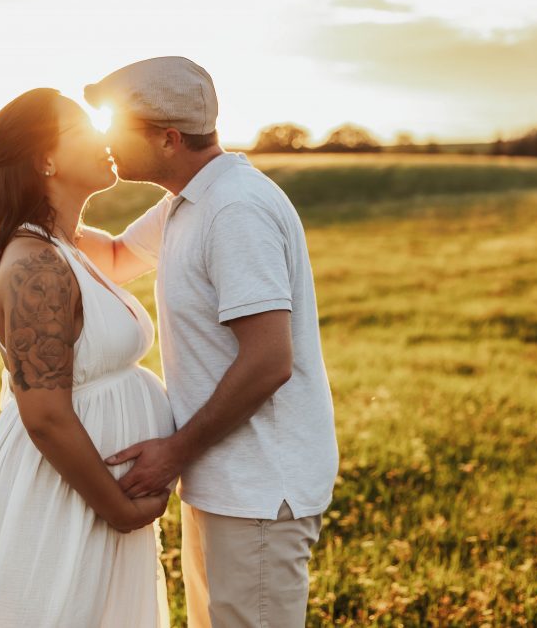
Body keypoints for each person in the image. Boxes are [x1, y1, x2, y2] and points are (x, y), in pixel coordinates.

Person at [75, 56, 340, 627]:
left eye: (117, 127)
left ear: (168, 138)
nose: (107, 141)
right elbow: (117, 259)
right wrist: (32, 211)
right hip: (224, 482)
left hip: (259, 489)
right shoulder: (188, 202)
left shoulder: (234, 208)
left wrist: (174, 450)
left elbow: (269, 360)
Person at [0, 87, 176, 627]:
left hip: (92, 493)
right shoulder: (38, 266)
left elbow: (135, 251)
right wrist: (119, 508)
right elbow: (46, 416)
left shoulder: (72, 246)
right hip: (67, 498)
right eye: (84, 130)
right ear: (46, 159)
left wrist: (201, 181)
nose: (105, 138)